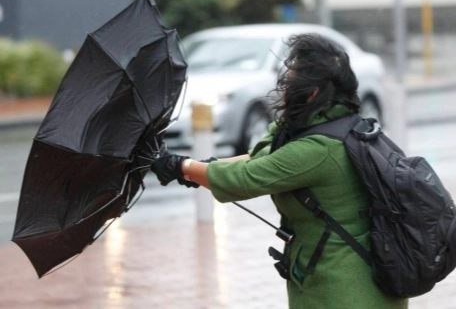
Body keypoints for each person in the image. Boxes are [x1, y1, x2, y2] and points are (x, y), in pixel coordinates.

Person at [150, 33, 408, 308]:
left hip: (345, 290)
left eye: (292, 80)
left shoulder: (319, 148)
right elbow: (263, 158)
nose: (285, 87)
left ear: (313, 92)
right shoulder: (343, 126)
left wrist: (181, 166)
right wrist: (198, 169)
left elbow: (245, 179)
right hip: (353, 281)